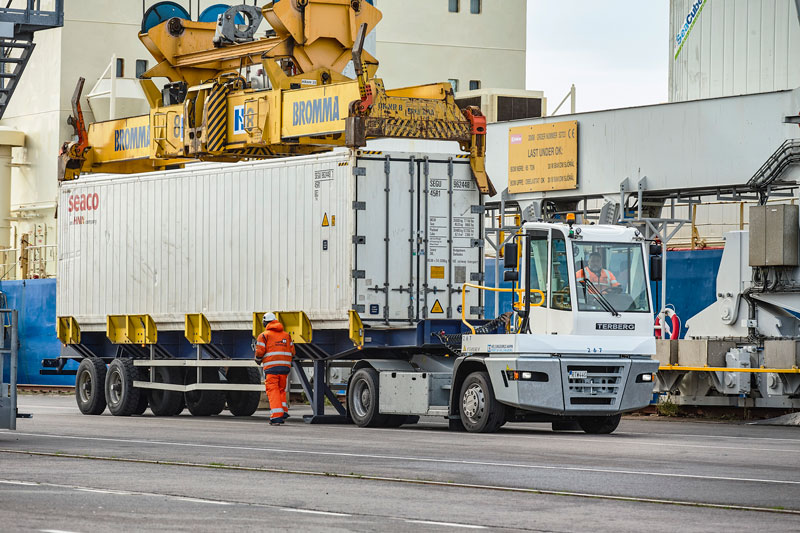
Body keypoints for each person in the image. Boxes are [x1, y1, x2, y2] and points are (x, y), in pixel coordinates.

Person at [254, 312, 295, 425]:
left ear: (265, 323)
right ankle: (283, 411)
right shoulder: (286, 335)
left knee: (273, 391)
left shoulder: (264, 335)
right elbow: (292, 351)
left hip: (271, 368)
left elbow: (260, 351)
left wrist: (258, 359)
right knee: (281, 389)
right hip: (285, 368)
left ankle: (276, 417)